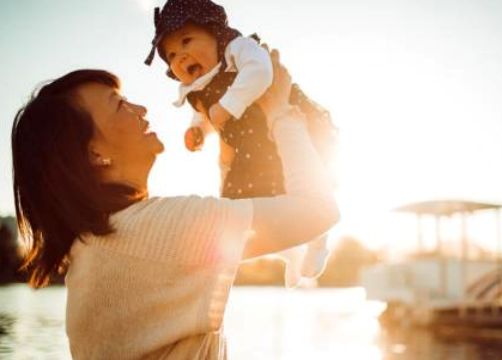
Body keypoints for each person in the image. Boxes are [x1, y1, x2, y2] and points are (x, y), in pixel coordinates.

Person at [11, 49, 339, 359]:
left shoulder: (98, 245)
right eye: (119, 105)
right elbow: (318, 210)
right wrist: (281, 112)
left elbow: (217, 232)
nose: (140, 109)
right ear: (95, 154)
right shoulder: (151, 230)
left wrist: (229, 152)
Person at [144, 0, 337, 287]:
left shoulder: (237, 48)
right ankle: (289, 252)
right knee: (245, 207)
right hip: (252, 147)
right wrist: (198, 131)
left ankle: (318, 242)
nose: (181, 55)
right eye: (171, 54)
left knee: (312, 180)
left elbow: (261, 72)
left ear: (215, 33)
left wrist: (229, 105)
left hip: (290, 122)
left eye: (186, 40)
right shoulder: (197, 87)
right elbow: (207, 115)